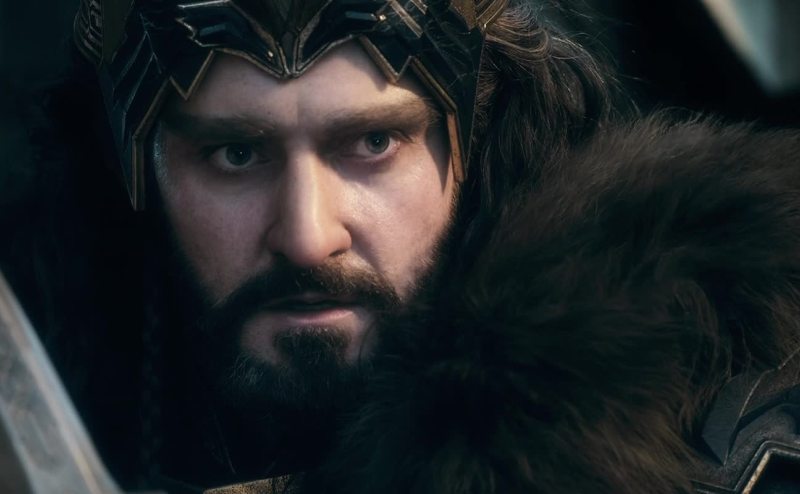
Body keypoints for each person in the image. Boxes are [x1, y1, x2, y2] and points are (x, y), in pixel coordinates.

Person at [3, 0, 800, 493]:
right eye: (235, 154)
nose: (308, 237)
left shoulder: (739, 443)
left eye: (374, 142)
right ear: (134, 174)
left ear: (476, 143)